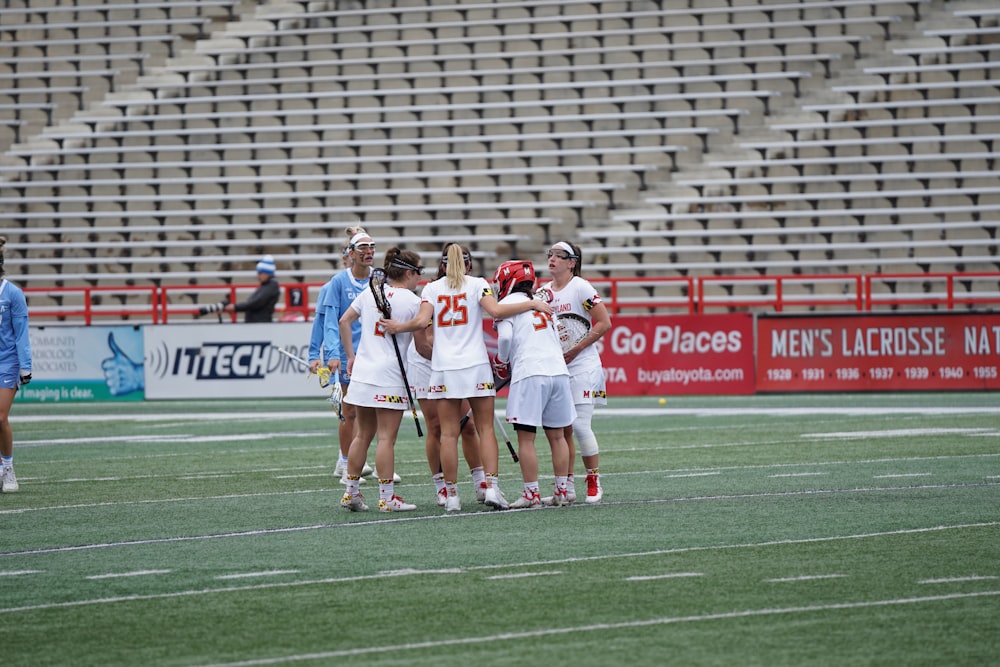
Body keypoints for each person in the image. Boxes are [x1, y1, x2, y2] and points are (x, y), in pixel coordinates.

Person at [382, 243, 552, 512]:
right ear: (468, 265)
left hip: (443, 367)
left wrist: (397, 326)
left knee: (448, 434)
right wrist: (532, 303)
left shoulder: (431, 289)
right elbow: (495, 311)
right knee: (485, 429)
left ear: (443, 265)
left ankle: (451, 496)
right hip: (474, 365)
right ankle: (492, 489)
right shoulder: (477, 284)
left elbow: (419, 323)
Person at [339, 247, 425, 512]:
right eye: (418, 273)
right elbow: (423, 342)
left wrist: (351, 356)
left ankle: (351, 492)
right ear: (409, 273)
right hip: (390, 375)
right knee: (386, 438)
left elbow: (344, 320)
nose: (419, 279)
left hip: (364, 373)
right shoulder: (412, 301)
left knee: (362, 435)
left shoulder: (369, 293)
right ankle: (387, 498)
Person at [491, 259, 576, 508]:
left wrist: (501, 361)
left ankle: (532, 494)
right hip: (558, 371)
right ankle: (562, 491)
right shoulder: (542, 304)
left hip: (530, 371)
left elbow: (505, 337)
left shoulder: (505, 304)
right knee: (558, 436)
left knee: (526, 438)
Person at [408, 245, 488, 506]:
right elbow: (423, 343)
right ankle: (442, 485)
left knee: (470, 425)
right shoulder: (432, 290)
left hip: (451, 363)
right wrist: (448, 363)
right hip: (427, 362)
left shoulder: (472, 287)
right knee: (437, 426)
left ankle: (480, 482)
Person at [541, 241, 612, 504]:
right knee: (563, 429)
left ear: (572, 262)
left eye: (559, 256)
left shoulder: (581, 286)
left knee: (580, 425)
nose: (552, 260)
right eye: (550, 255)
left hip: (583, 365)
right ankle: (566, 488)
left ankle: (594, 480)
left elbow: (604, 322)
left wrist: (575, 349)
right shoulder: (543, 292)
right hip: (558, 367)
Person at [311, 227, 380, 484]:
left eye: (371, 247)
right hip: (345, 355)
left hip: (373, 354)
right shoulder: (336, 283)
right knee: (348, 411)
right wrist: (322, 354)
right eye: (362, 247)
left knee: (372, 409)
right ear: (349, 254)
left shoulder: (378, 278)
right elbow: (326, 322)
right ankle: (345, 461)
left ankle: (360, 460)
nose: (368, 252)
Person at [0, 238, 33, 493]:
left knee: (0, 416)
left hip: (7, 362)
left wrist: (25, 366)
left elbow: (21, 333)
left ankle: (8, 468)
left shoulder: (12, 294)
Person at [222, 254, 281, 322]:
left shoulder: (270, 287)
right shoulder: (267, 286)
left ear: (268, 273)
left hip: (260, 325)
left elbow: (255, 303)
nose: (258, 276)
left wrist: (235, 307)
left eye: (260, 273)